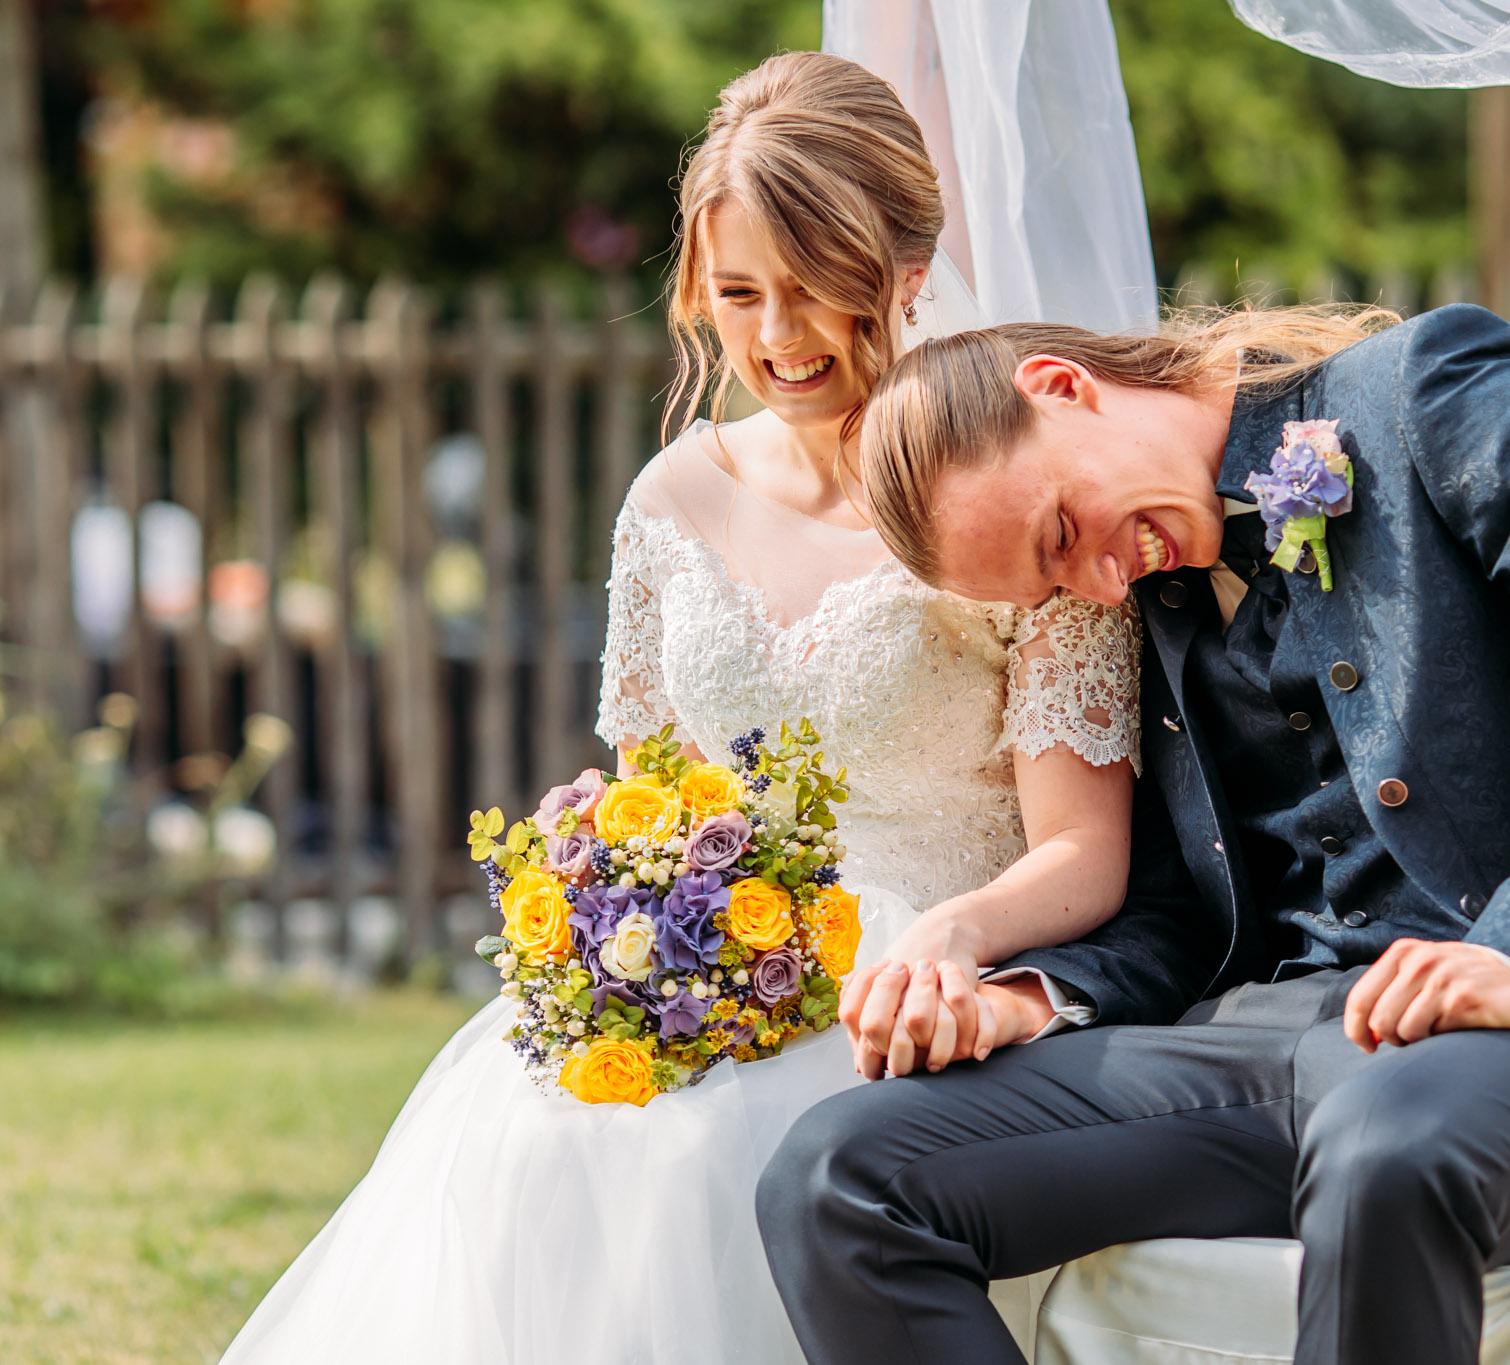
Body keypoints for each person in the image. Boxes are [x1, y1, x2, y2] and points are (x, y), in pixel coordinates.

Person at [758, 304, 1510, 1365]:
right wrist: (1026, 996)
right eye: (1053, 583)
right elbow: (1183, 908)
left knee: (1386, 1144)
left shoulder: (1430, 389)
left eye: (1064, 528)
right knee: (840, 1177)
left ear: (1061, 385)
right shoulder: (1159, 595)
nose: (1099, 585)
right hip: (1278, 1046)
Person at [218, 53, 1139, 1365]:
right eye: (740, 292)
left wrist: (945, 942)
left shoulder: (1003, 490)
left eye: (812, 291)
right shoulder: (674, 498)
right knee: (529, 1129)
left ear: (906, 264)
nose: (776, 339)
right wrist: (608, 850)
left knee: (697, 1154)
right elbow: (666, 784)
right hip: (713, 960)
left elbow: (1087, 850)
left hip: (925, 969)